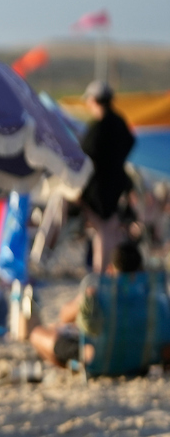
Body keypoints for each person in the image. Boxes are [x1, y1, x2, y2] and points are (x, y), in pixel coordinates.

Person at [29, 239, 168, 369]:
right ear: (142, 270)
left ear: (110, 270)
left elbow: (64, 315)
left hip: (99, 360)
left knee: (37, 334)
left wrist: (85, 299)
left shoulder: (99, 295)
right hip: (140, 361)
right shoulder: (154, 300)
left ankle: (76, 362)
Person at [79, 81, 137, 273]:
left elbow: (86, 157)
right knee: (109, 229)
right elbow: (130, 142)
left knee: (103, 231)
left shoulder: (98, 127)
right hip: (117, 182)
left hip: (99, 188)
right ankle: (112, 269)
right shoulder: (119, 122)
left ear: (95, 100)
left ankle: (103, 272)